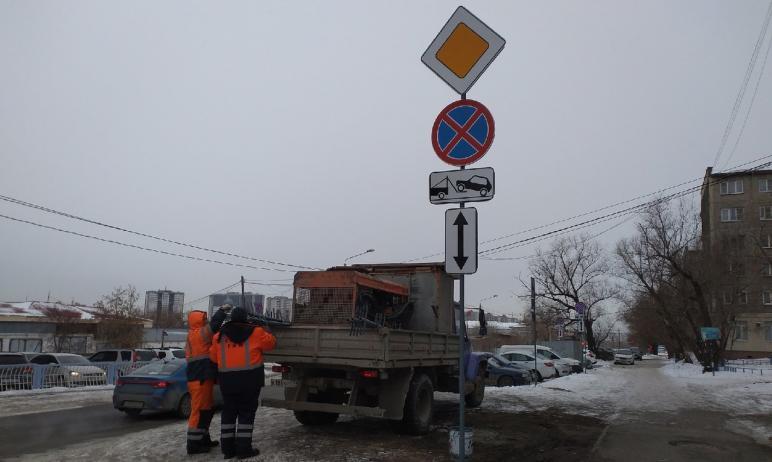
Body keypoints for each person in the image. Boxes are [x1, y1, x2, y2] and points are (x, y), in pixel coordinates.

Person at [210, 306, 276, 459]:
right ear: (246, 318)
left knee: (228, 415)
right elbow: (271, 344)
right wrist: (267, 329)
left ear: (231, 318)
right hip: (250, 382)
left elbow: (213, 358)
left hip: (227, 383)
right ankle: (244, 450)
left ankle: (228, 450)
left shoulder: (219, 336)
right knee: (246, 415)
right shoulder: (256, 332)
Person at [185, 307, 226, 454]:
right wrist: (222, 311)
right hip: (199, 378)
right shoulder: (199, 334)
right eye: (204, 319)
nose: (206, 321)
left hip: (202, 378)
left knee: (206, 410)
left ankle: (203, 439)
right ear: (198, 321)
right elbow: (214, 325)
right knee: (198, 411)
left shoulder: (194, 334)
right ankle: (193, 445)